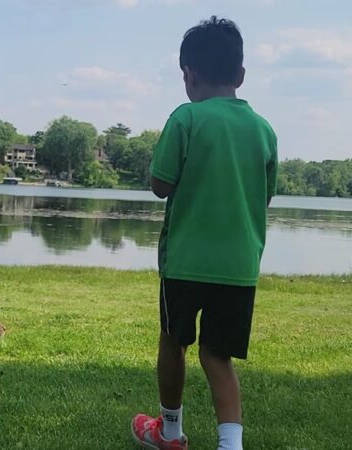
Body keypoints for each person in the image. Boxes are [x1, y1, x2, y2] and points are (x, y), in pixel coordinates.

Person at [130, 16, 278, 450]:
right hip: (238, 266)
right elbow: (263, 197)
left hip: (185, 261)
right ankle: (230, 445)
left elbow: (160, 185)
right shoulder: (264, 130)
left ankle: (170, 432)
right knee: (218, 355)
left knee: (173, 340)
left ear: (187, 75)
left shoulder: (185, 119)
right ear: (241, 75)